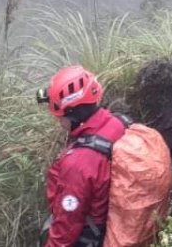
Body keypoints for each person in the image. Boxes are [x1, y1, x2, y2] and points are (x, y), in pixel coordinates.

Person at [38, 65, 126, 247]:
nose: (58, 120)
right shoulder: (116, 122)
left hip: (88, 238)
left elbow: (66, 227)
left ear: (72, 113)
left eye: (60, 115)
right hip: (107, 225)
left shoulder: (79, 163)